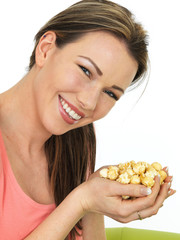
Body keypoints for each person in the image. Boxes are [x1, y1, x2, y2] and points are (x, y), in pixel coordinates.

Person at [0, 0, 175, 239]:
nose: (89, 103)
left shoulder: (76, 141)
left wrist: (95, 201)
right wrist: (82, 200)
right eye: (85, 70)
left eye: (110, 93)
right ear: (46, 49)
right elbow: (81, 201)